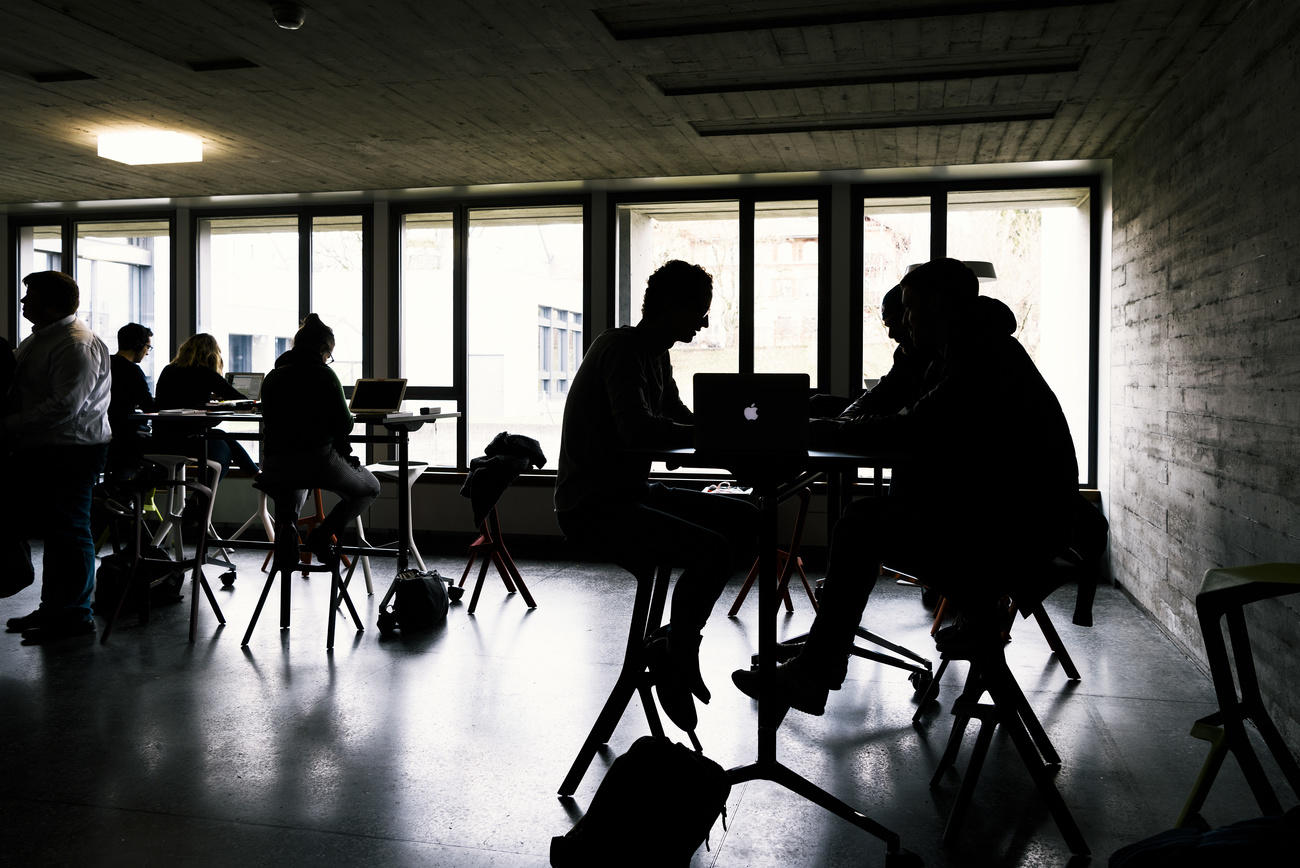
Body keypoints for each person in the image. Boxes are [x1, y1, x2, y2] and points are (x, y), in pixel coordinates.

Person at [733, 258, 1079, 715]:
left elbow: (913, 428)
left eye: (912, 309)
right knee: (871, 518)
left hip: (1013, 538)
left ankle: (816, 672)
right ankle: (818, 668)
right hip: (1013, 520)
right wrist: (832, 423)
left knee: (860, 524)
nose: (905, 320)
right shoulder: (965, 347)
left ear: (942, 307)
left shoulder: (978, 354)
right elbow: (904, 417)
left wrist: (820, 429)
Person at [555, 259, 757, 732]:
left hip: (626, 493)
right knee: (714, 548)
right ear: (670, 307)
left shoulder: (653, 352)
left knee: (746, 519)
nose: (704, 323)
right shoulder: (621, 349)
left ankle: (674, 643)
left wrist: (730, 447)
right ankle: (679, 647)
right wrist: (728, 449)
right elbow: (639, 430)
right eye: (699, 312)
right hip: (592, 507)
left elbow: (678, 417)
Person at [2, 271, 112, 643]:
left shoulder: (75, 343)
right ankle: (56, 608)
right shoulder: (45, 338)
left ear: (49, 303)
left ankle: (75, 614)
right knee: (59, 530)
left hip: (72, 449)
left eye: (28, 296)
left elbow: (65, 406)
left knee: (70, 530)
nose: (22, 302)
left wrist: (8, 425)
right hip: (53, 447)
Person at [257, 314, 380, 563]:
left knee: (292, 483)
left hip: (276, 465)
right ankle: (323, 535)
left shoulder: (273, 376)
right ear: (323, 349)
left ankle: (287, 534)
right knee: (370, 488)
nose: (328, 359)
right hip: (317, 460)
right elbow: (344, 424)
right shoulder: (324, 375)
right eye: (329, 354)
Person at [153, 333, 258, 479]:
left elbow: (183, 398)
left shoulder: (168, 370)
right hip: (187, 441)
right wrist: (223, 402)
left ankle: (255, 474)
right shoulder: (205, 373)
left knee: (221, 436)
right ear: (211, 354)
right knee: (223, 452)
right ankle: (202, 497)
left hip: (161, 439)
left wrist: (209, 397)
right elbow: (241, 400)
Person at [105, 322, 157, 477]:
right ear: (139, 345)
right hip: (124, 437)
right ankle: (125, 494)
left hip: (102, 433)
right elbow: (149, 407)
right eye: (148, 347)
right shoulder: (133, 371)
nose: (147, 353)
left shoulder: (104, 364)